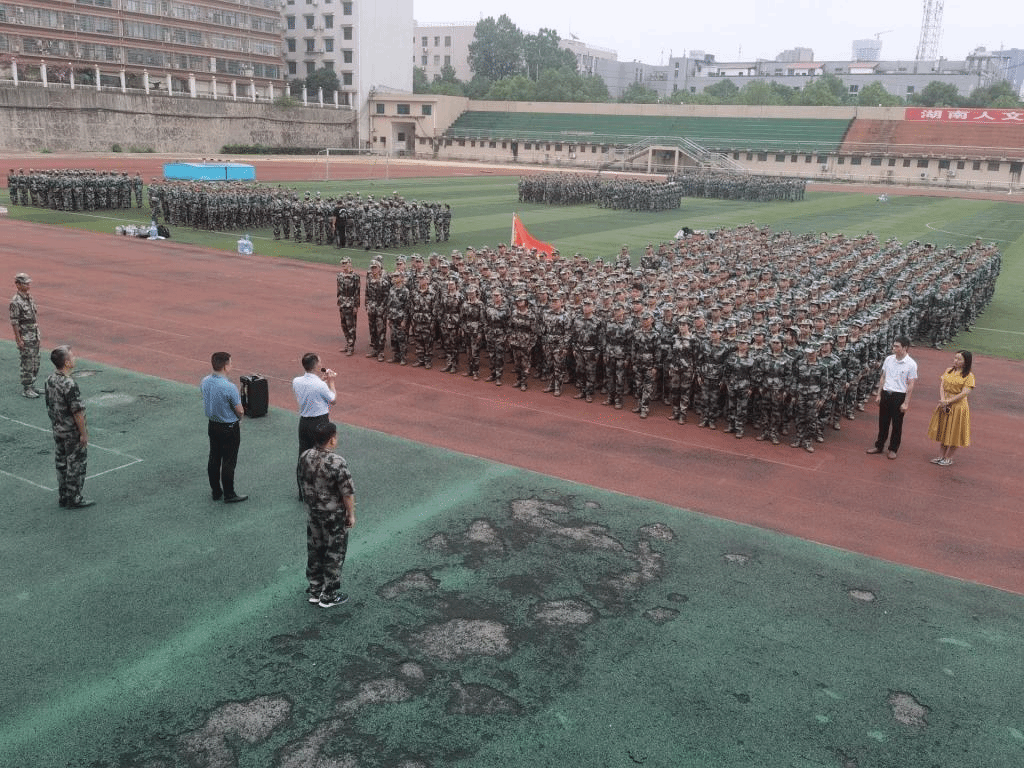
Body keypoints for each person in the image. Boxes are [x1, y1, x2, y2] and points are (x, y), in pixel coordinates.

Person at [298, 421, 356, 608]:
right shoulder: (337, 462)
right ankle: (329, 595)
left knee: (315, 550)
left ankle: (315, 589)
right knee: (334, 553)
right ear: (331, 439)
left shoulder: (305, 455)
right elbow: (347, 493)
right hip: (333, 516)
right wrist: (351, 514)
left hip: (313, 513)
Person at [44, 345, 94, 508]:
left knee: (61, 463)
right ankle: (74, 498)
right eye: (72, 356)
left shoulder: (49, 380)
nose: (74, 358)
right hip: (71, 432)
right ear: (66, 363)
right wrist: (83, 434)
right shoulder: (69, 384)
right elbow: (77, 412)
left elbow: (49, 405)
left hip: (58, 429)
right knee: (75, 464)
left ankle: (64, 496)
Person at [200, 351, 247, 503]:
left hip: (213, 425)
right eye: (230, 363)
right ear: (225, 366)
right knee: (228, 461)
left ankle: (216, 491)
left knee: (214, 458)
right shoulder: (229, 386)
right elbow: (240, 410)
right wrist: (240, 418)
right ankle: (229, 493)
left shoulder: (205, 381)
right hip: (229, 427)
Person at [292, 352, 337, 499]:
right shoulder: (320, 385)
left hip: (304, 423)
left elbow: (311, 389)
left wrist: (322, 381)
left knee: (303, 456)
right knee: (322, 456)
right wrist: (331, 383)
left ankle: (303, 492)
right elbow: (333, 399)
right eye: (320, 362)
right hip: (320, 422)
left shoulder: (296, 381)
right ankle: (322, 491)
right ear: (316, 365)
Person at [866, 336, 917, 460]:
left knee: (896, 424)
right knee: (883, 422)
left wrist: (906, 403)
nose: (893, 348)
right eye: (894, 345)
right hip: (886, 393)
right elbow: (883, 377)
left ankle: (893, 449)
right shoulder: (888, 359)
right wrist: (879, 394)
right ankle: (879, 446)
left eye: (897, 346)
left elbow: (911, 384)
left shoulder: (911, 364)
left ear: (905, 348)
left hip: (899, 396)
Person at [927, 350, 975, 466]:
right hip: (945, 404)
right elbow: (942, 385)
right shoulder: (948, 370)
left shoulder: (969, 376)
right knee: (945, 430)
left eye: (959, 359)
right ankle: (941, 456)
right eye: (955, 358)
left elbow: (964, 393)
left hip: (958, 407)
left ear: (966, 362)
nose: (956, 361)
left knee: (955, 432)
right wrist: (943, 400)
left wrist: (948, 401)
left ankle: (948, 457)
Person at [10, 272, 42, 398]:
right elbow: (14, 322)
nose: (28, 285)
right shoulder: (15, 302)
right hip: (25, 336)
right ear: (18, 284)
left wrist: (37, 335)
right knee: (27, 362)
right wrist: (19, 340)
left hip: (34, 334)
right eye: (25, 283)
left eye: (28, 283)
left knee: (36, 361)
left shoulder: (29, 298)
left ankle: (32, 385)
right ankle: (26, 388)